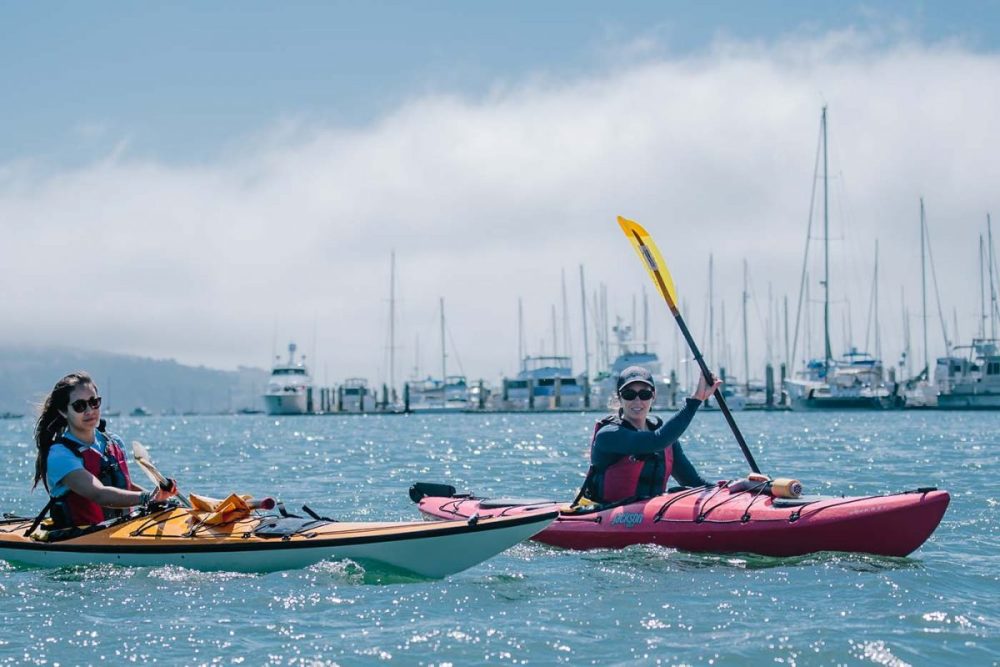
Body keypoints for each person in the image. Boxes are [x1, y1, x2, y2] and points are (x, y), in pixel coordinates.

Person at [31, 371, 177, 528]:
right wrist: (147, 498)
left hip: (124, 530)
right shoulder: (60, 455)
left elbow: (125, 486)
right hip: (81, 538)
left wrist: (160, 498)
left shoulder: (113, 442)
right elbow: (98, 493)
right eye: (79, 406)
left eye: (94, 402)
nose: (89, 411)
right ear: (63, 411)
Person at [579, 366, 722, 504]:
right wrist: (695, 400)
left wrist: (727, 489)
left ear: (653, 396)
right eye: (629, 395)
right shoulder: (608, 435)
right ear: (620, 398)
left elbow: (693, 482)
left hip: (652, 515)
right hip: (608, 516)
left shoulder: (666, 440)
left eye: (644, 394)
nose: (637, 401)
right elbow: (657, 441)